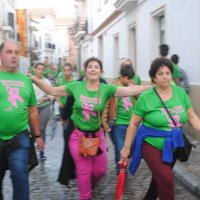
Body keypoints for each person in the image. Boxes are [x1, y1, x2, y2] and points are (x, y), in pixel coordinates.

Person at [28, 56, 152, 200]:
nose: (93, 69)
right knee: (84, 171)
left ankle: (89, 185)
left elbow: (130, 90)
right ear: (85, 71)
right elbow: (51, 90)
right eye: (90, 66)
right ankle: (85, 195)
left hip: (97, 137)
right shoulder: (75, 86)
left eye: (96, 67)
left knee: (100, 171)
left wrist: (152, 86)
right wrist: (34, 79)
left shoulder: (106, 89)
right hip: (77, 136)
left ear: (101, 71)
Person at [120, 57, 200, 200]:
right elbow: (133, 124)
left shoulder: (180, 93)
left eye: (167, 73)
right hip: (151, 144)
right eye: (160, 74)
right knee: (167, 181)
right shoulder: (146, 97)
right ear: (153, 78)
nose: (165, 77)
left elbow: (192, 117)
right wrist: (126, 148)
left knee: (158, 184)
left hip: (173, 145)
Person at [0, 39, 44, 200]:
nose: (13, 56)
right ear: (0, 54)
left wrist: (38, 136)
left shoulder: (26, 80)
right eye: (9, 52)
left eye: (16, 53)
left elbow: (32, 110)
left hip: (19, 137)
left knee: (20, 173)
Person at [102, 59, 136, 174]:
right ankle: (120, 170)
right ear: (121, 76)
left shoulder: (133, 87)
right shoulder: (114, 87)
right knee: (120, 147)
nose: (130, 80)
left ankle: (124, 162)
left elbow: (140, 101)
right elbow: (106, 105)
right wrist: (105, 122)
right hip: (118, 123)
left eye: (131, 78)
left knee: (130, 147)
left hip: (132, 123)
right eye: (128, 78)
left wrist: (134, 90)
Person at [33, 62, 53, 160]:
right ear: (35, 70)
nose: (40, 71)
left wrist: (47, 98)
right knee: (33, 130)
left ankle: (42, 152)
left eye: (42, 69)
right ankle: (31, 152)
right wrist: (37, 100)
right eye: (39, 69)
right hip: (33, 108)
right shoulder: (31, 81)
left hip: (45, 106)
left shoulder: (47, 82)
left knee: (41, 128)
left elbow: (52, 94)